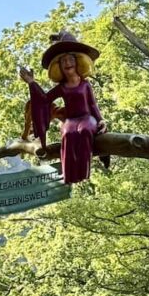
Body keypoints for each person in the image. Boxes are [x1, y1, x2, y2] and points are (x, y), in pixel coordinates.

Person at [19, 31, 107, 185]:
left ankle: (84, 172)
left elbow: (92, 105)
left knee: (85, 130)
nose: (67, 63)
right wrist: (31, 82)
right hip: (71, 120)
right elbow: (44, 99)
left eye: (70, 59)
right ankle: (70, 176)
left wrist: (100, 120)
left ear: (78, 62)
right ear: (58, 66)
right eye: (63, 61)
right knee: (67, 133)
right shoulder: (61, 87)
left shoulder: (85, 84)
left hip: (87, 118)